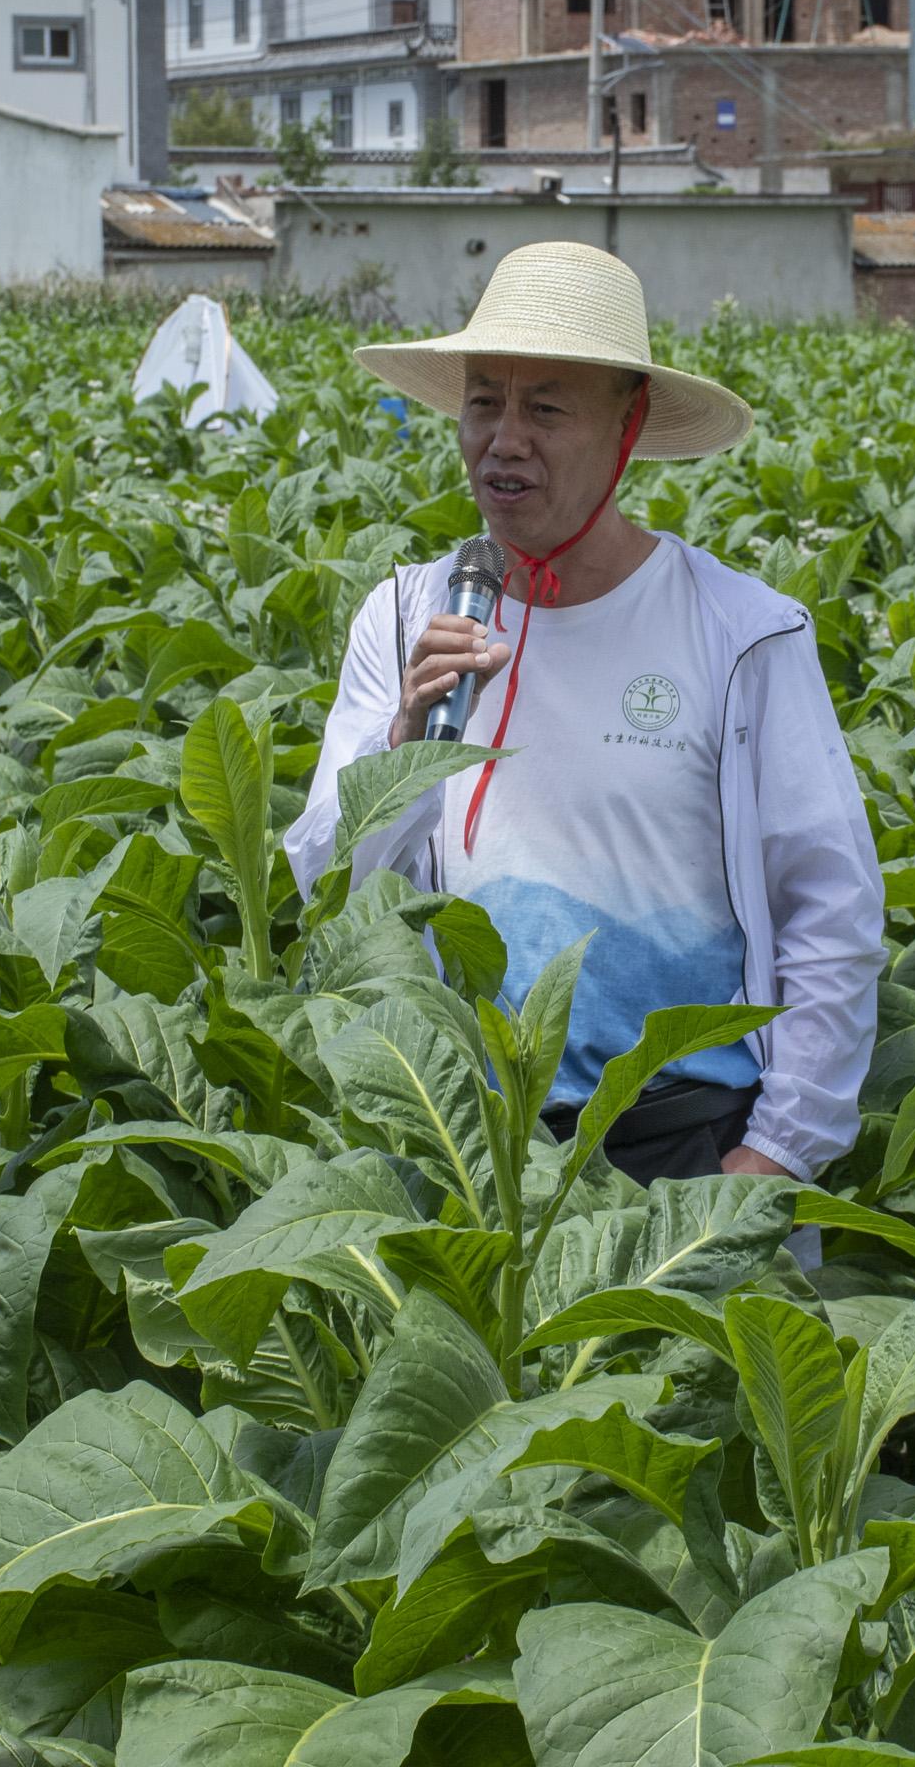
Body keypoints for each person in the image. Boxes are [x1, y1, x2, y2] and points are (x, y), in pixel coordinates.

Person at [283, 241, 880, 1184]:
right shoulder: (402, 617)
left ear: (628, 423)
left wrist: (773, 1157)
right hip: (460, 1145)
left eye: (547, 408)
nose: (504, 439)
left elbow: (830, 913)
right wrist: (402, 747)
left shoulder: (743, 634)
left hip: (683, 1152)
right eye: (484, 402)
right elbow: (324, 892)